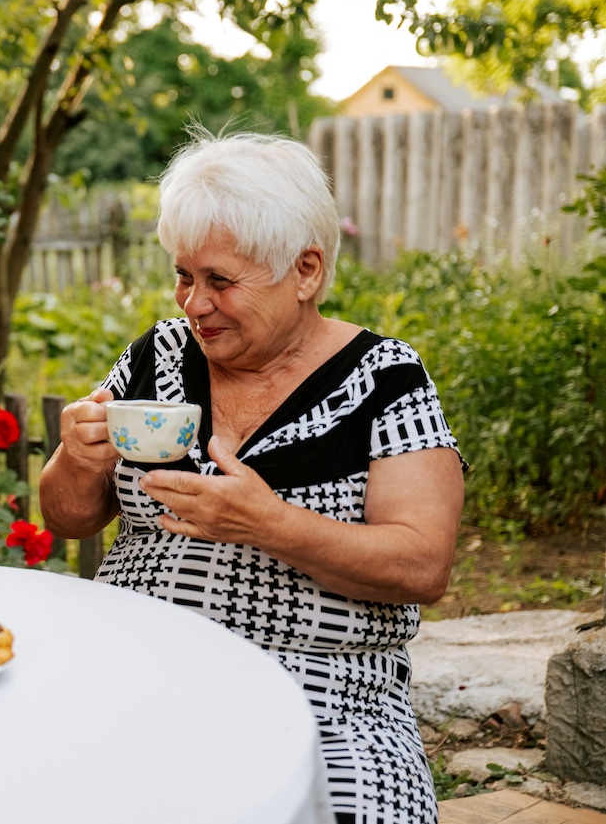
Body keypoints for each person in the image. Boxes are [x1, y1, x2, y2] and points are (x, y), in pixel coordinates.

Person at [39, 132, 464, 824]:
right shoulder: (157, 355)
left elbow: (421, 564)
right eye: (183, 275)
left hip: (324, 691)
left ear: (303, 270)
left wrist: (267, 523)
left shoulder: (385, 378)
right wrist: (77, 459)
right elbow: (68, 517)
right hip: (138, 673)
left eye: (220, 280)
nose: (192, 304)